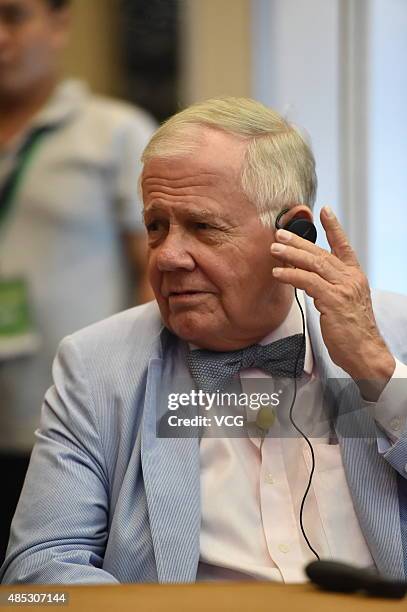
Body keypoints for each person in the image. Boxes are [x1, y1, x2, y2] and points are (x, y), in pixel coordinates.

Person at [1, 97, 407, 585]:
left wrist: (376, 370)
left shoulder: (393, 332)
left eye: (203, 227)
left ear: (293, 232)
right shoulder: (97, 364)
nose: (169, 257)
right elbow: (38, 567)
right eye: (156, 227)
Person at [0, 0, 156, 562]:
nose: (1, 37)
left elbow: (155, 270)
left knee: (50, 580)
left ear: (60, 24)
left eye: (14, 16)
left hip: (71, 427)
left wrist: (141, 397)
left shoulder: (114, 132)